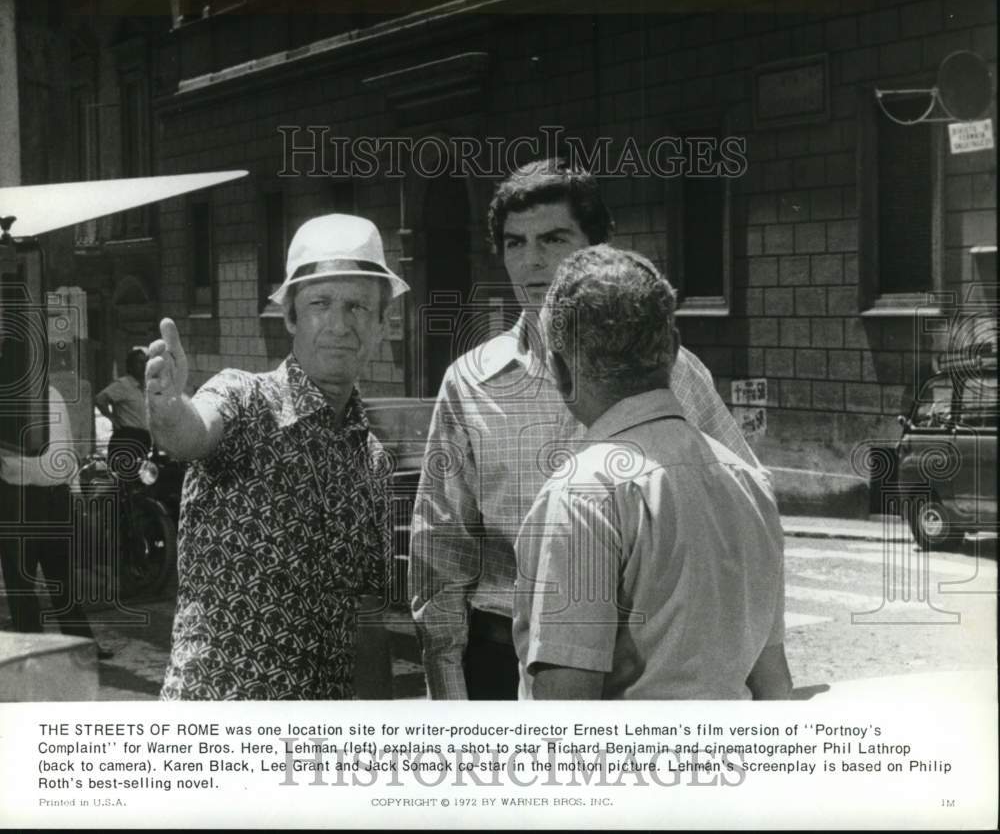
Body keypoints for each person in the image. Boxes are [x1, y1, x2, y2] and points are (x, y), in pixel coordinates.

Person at [409, 159, 775, 700]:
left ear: (596, 249)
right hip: (504, 649)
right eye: (515, 243)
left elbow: (740, 505)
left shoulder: (671, 370)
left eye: (553, 239)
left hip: (642, 657)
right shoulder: (471, 382)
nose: (531, 262)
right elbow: (441, 546)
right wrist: (449, 692)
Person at [148, 214, 408, 700]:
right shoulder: (245, 399)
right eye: (319, 304)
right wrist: (167, 410)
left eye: (357, 307)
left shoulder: (371, 459)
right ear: (290, 317)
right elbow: (191, 433)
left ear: (382, 323)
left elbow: (366, 614)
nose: (338, 324)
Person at [513, 244, 790, 699]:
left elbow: (564, 707)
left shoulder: (585, 492)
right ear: (675, 353)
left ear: (561, 370)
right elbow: (773, 683)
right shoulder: (751, 482)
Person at [0, 385, 111, 658]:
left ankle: (81, 646)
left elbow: (67, 444)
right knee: (22, 584)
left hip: (57, 498)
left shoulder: (54, 394)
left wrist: (74, 491)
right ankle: (32, 653)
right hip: (19, 500)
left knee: (62, 579)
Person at [96, 346, 151, 475]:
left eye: (145, 362)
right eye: (139, 362)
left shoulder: (144, 388)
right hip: (127, 438)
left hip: (142, 441)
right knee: (125, 481)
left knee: (141, 482)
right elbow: (100, 399)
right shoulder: (124, 384)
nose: (143, 366)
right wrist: (112, 418)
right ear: (130, 366)